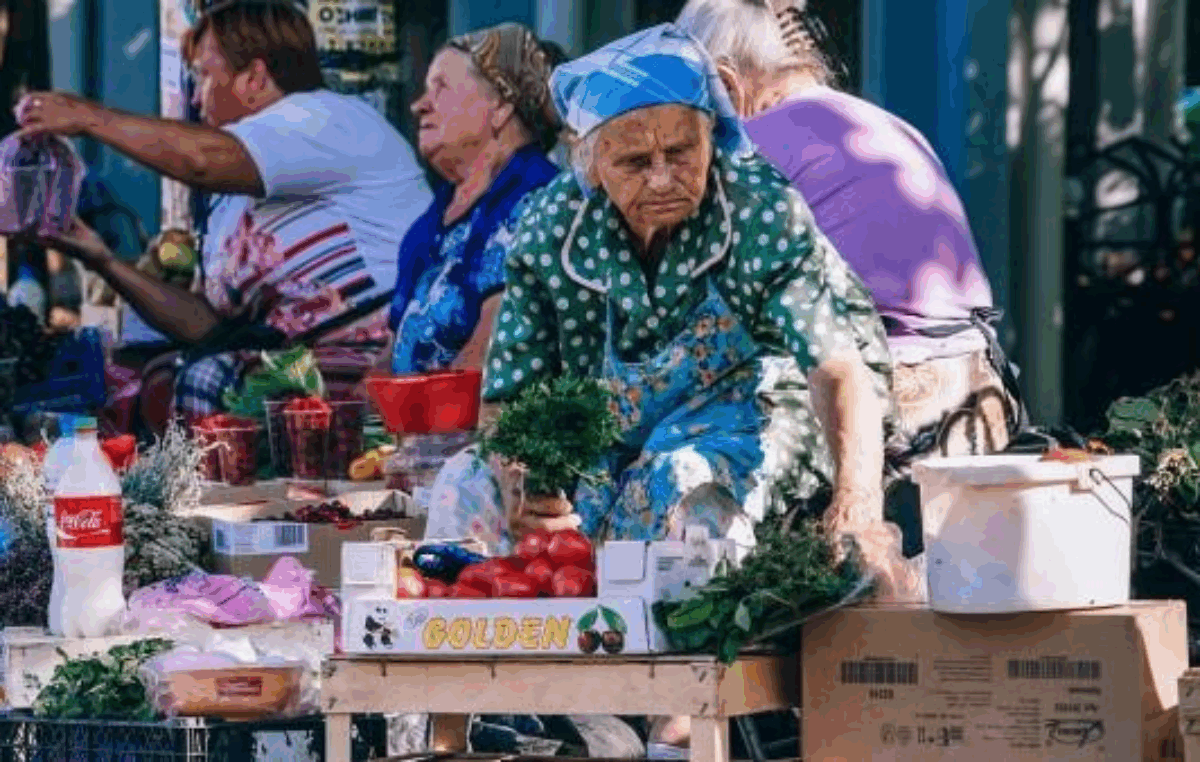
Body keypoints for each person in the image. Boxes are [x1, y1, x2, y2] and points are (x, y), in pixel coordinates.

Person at [425, 23, 913, 756]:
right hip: (611, 424)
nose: (661, 176)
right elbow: (511, 395)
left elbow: (834, 368)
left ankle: (675, 730)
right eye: (634, 159)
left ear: (713, 140)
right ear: (592, 164)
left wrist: (858, 505)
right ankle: (447, 727)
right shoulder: (550, 228)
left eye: (680, 152)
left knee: (680, 481)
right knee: (463, 483)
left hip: (757, 403)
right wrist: (528, 485)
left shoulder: (757, 208)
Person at [14, 0, 432, 424]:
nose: (195, 96)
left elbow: (200, 160)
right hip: (286, 369)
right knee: (145, 376)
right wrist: (100, 257)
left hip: (380, 361)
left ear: (254, 77)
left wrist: (87, 117)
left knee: (206, 378)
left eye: (204, 76)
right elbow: (207, 327)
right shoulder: (231, 202)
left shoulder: (327, 119)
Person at [675, 0, 1024, 466]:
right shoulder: (882, 122)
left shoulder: (754, 147)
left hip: (889, 395)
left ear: (727, 81)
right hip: (982, 389)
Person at [381, 23, 565, 376]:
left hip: (473, 426)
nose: (419, 105)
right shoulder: (434, 219)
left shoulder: (536, 201)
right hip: (416, 425)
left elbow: (487, 362)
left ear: (500, 105)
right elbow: (390, 356)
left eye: (441, 89)